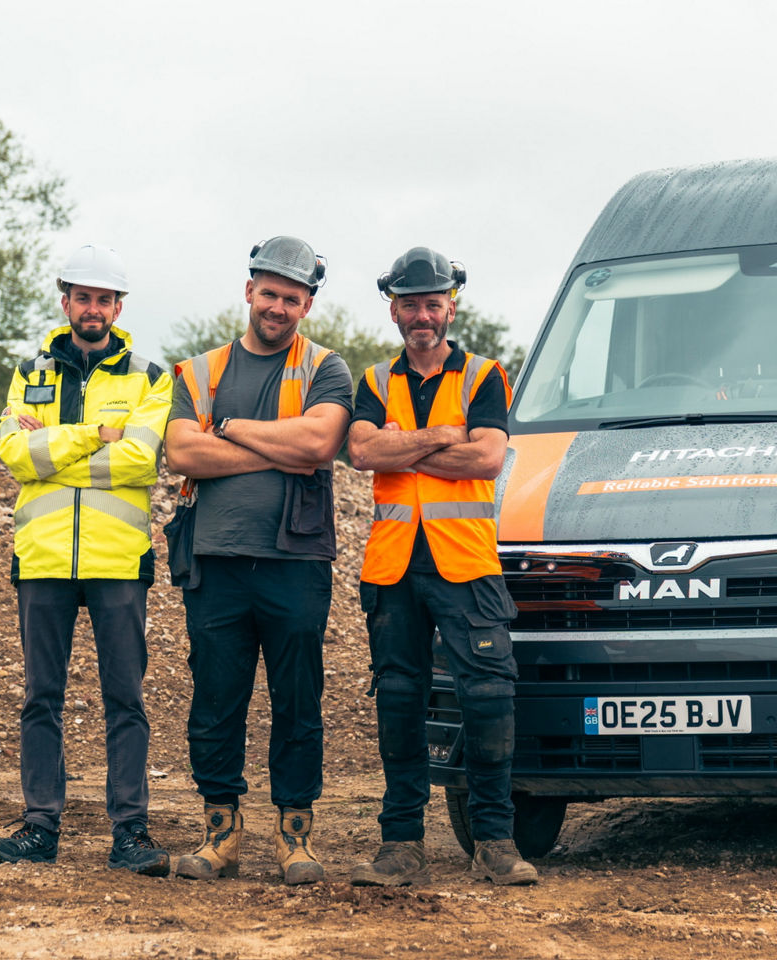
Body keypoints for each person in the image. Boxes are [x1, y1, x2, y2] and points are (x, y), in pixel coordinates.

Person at [164, 236, 352, 885]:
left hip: (294, 563)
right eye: (269, 293)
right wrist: (281, 446)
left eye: (291, 298)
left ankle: (295, 837)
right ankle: (222, 834)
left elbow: (322, 441)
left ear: (306, 304)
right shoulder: (199, 371)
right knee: (216, 702)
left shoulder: (327, 368)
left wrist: (230, 428)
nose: (277, 306)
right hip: (214, 561)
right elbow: (184, 455)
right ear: (249, 291)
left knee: (298, 700)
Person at [348, 246, 537, 886]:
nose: (421, 315)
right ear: (394, 309)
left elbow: (486, 460)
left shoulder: (484, 375)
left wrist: (402, 449)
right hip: (394, 567)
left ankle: (494, 840)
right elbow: (362, 450)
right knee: (399, 700)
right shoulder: (374, 381)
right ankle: (401, 844)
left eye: (433, 303)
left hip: (466, 562)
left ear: (450, 307)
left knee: (487, 697)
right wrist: (440, 437)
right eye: (410, 304)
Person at [0, 244, 174, 875]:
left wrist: (51, 448)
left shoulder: (149, 376)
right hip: (41, 560)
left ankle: (131, 832)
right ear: (65, 300)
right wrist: (95, 436)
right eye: (83, 297)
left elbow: (142, 461)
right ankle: (40, 826)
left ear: (118, 308)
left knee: (126, 698)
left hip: (119, 561)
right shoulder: (28, 370)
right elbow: (14, 457)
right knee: (42, 696)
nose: (93, 309)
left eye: (104, 299)